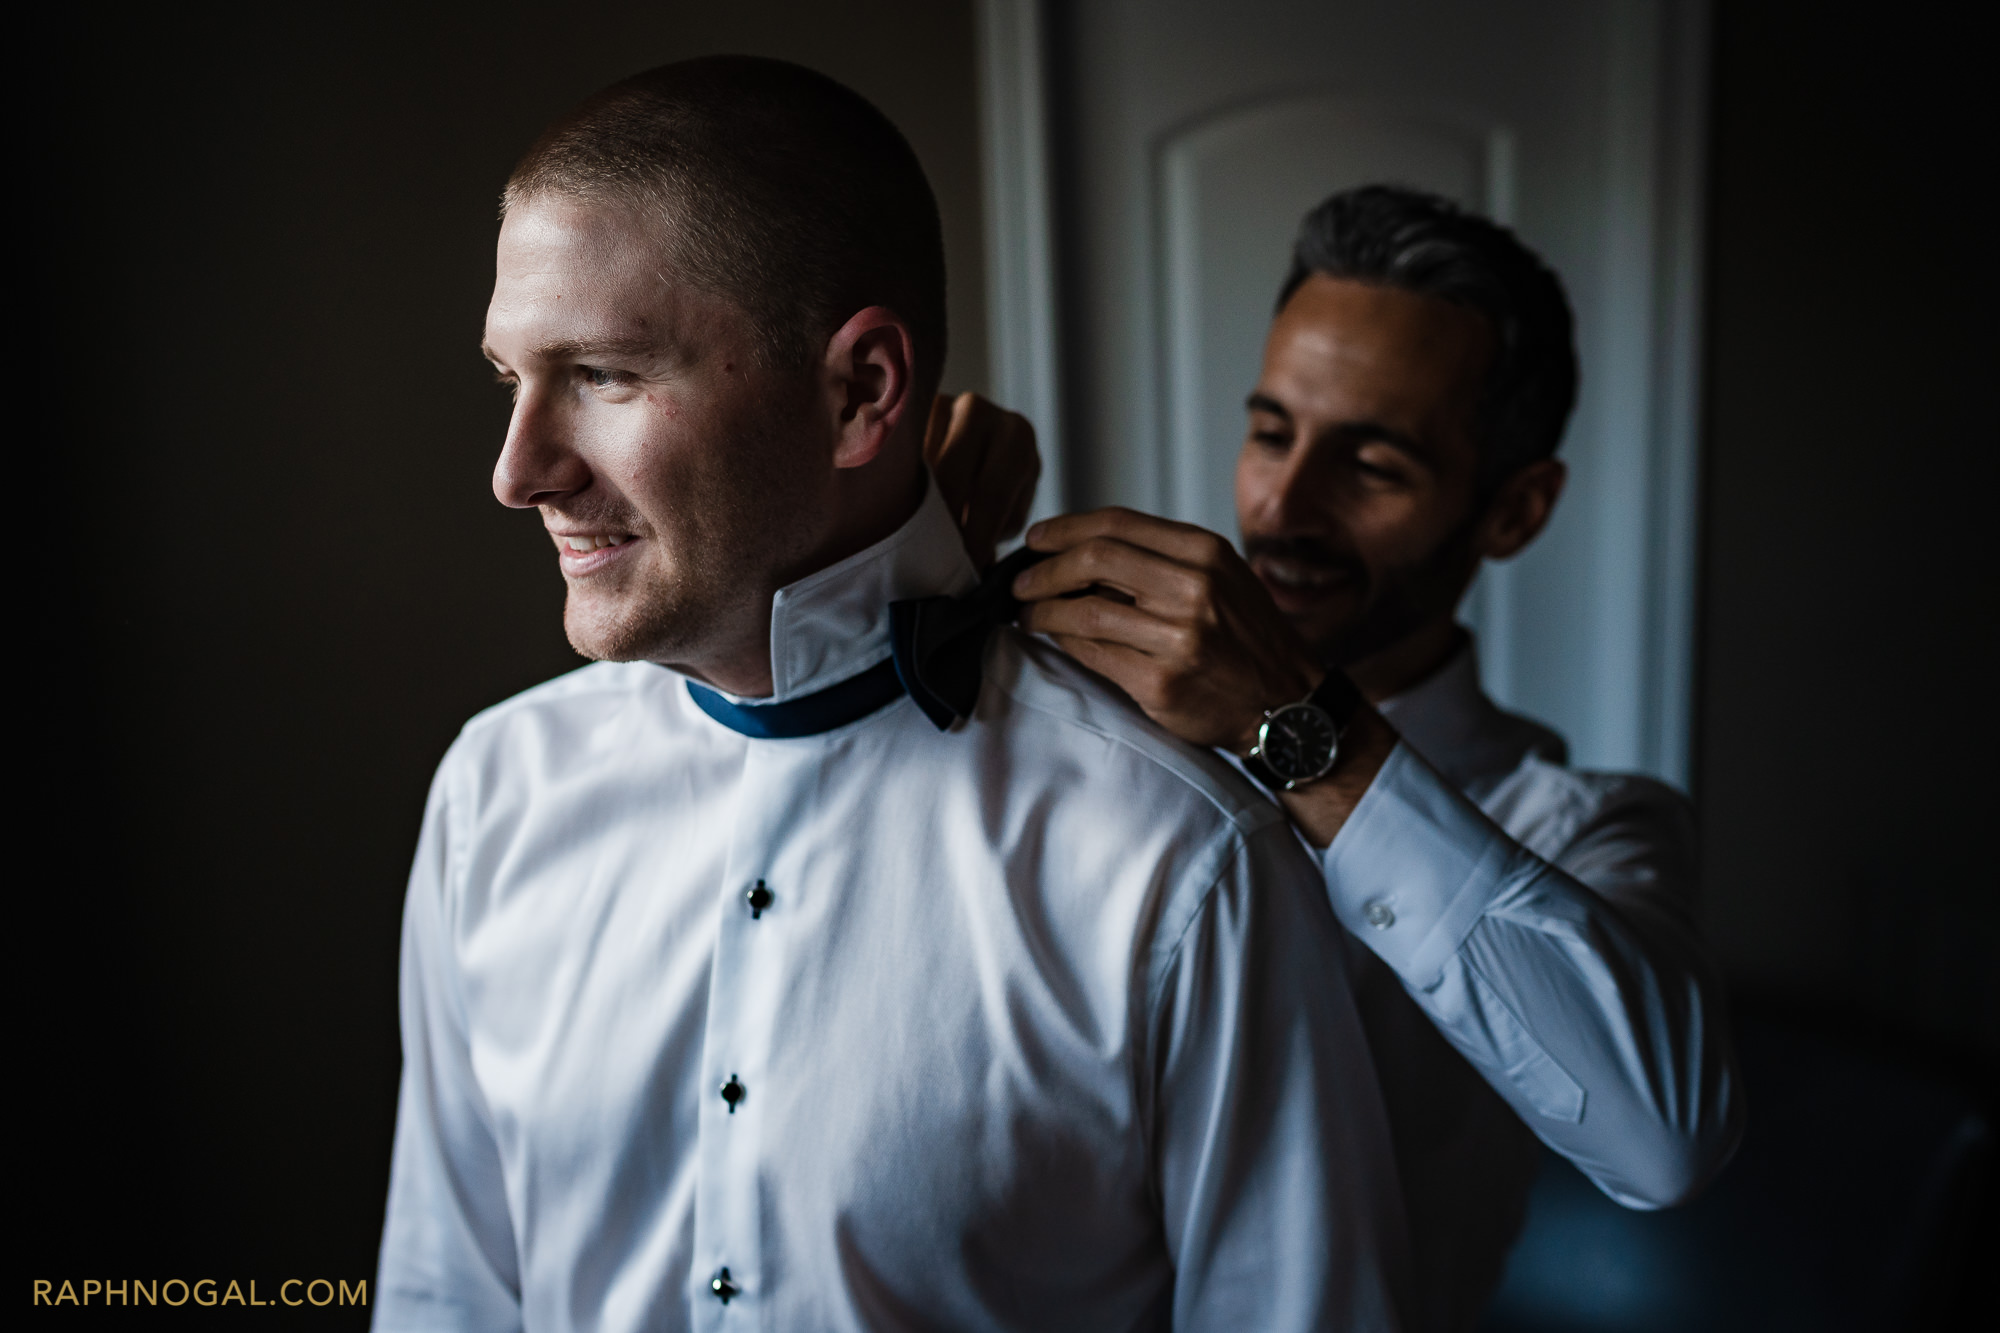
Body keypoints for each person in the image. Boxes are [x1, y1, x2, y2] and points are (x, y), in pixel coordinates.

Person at [372, 58, 1408, 1332]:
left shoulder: (1176, 859)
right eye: (507, 377)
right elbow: (443, 1296)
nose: (516, 471)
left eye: (603, 375)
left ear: (861, 391)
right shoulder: (493, 796)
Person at [930, 185, 1743, 1333]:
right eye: (1269, 433)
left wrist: (1297, 722)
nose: (1281, 508)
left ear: (1513, 511)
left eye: (1370, 463)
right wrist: (903, 550)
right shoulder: (1083, 711)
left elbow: (1661, 1143)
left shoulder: (1583, 825)